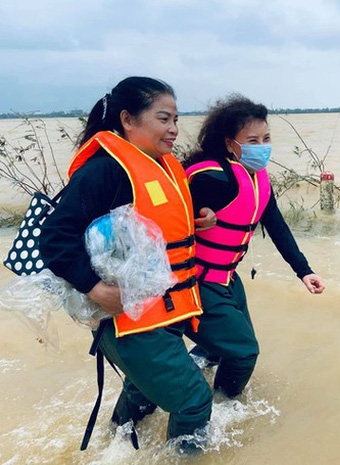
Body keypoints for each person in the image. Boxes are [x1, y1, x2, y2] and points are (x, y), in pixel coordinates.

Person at [39, 77, 214, 452]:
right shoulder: (106, 170)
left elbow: (158, 223)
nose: (174, 129)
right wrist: (95, 288)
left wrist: (199, 216)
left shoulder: (162, 165)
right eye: (164, 119)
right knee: (195, 401)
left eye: (176, 120)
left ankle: (113, 447)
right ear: (128, 120)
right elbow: (53, 238)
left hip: (161, 313)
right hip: (129, 322)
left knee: (143, 390)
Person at [182, 94, 325, 399]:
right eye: (252, 139)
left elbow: (276, 226)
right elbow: (166, 217)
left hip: (228, 280)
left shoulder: (257, 177)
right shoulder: (211, 177)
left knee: (228, 345)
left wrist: (304, 271)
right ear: (229, 142)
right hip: (199, 281)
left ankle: (203, 361)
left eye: (266, 137)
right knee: (245, 352)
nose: (262, 146)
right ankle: (222, 405)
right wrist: (196, 217)